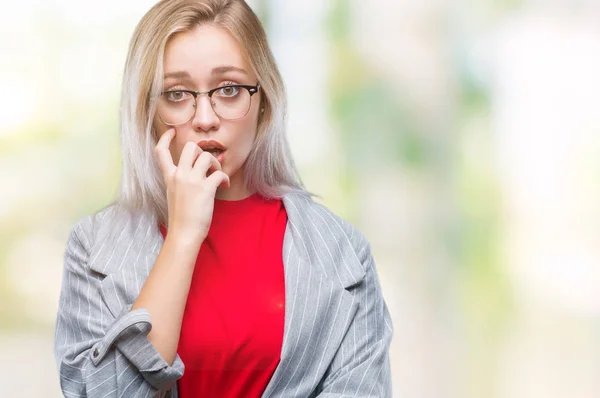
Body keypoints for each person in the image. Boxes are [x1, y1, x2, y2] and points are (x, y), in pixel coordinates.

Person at [53, 0, 393, 397]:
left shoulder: (344, 252)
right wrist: (182, 237)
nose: (204, 118)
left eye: (229, 89)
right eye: (177, 94)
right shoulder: (91, 245)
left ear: (263, 100)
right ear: (148, 110)